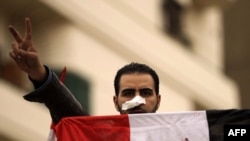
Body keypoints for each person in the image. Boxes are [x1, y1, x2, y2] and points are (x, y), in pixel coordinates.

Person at [8, 17, 161, 124]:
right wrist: (38, 73)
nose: (137, 101)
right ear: (116, 102)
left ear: (158, 100)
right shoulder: (99, 137)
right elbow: (70, 113)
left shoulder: (179, 134)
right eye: (128, 93)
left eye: (145, 93)